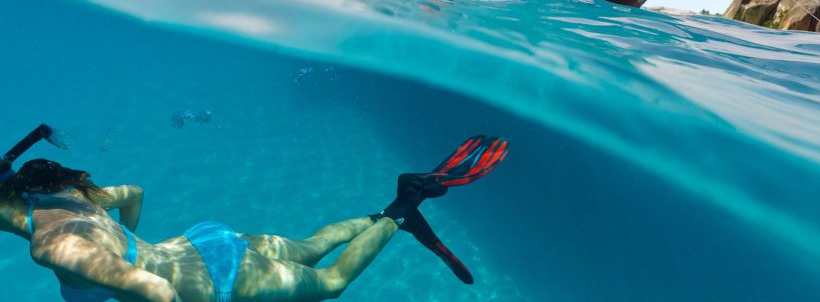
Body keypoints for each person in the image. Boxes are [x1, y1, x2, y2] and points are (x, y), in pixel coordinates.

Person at [0, 125, 508, 302]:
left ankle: (403, 207)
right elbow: (133, 191)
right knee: (310, 246)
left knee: (330, 282)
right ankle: (382, 215)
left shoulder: (51, 245)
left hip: (222, 280)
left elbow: (153, 289)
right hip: (203, 241)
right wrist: (130, 244)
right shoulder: (61, 196)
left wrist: (130, 264)